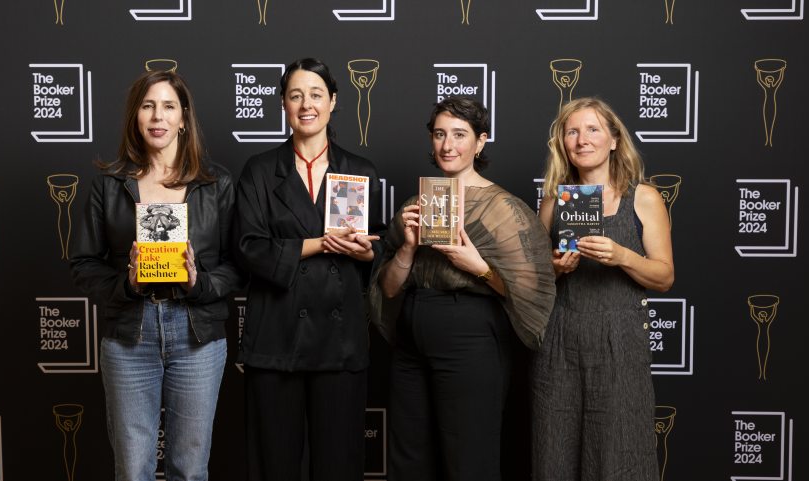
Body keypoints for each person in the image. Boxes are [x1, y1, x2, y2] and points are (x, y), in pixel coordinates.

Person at [369, 97, 556, 481]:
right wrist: (406, 246)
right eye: (440, 134)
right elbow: (387, 291)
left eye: (459, 135)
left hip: (469, 337)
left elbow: (529, 292)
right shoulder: (414, 205)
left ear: (480, 142)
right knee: (408, 459)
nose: (448, 145)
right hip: (411, 339)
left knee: (469, 459)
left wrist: (480, 269)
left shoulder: (503, 208)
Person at [69, 70, 241, 481]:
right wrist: (125, 283)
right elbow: (83, 263)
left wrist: (200, 283)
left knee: (190, 468)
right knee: (132, 470)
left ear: (184, 118)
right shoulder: (110, 185)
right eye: (147, 106)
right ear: (135, 117)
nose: (157, 116)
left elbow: (238, 264)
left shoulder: (215, 184)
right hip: (131, 332)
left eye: (168, 106)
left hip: (197, 333)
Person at [234, 57, 384, 481]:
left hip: (340, 342)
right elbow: (249, 247)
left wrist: (365, 253)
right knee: (273, 464)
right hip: (276, 337)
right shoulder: (260, 171)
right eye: (296, 95)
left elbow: (381, 246)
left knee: (340, 464)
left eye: (316, 94)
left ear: (333, 101)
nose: (306, 104)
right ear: (283, 103)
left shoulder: (360, 171)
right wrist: (319, 244)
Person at [531, 97, 674, 481]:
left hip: (620, 342)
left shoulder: (643, 198)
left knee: (619, 452)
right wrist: (556, 269)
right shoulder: (553, 202)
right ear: (562, 142)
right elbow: (532, 278)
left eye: (593, 129)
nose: (582, 140)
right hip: (561, 341)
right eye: (572, 131)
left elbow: (664, 277)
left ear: (614, 139)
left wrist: (623, 256)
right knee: (553, 450)